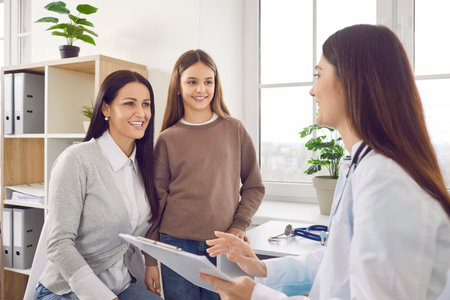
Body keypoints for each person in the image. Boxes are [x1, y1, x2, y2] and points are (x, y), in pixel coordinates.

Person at [200, 24, 450, 299]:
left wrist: (256, 296)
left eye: (318, 75)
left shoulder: (388, 181)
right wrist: (261, 268)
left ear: (352, 83)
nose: (312, 90)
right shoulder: (360, 167)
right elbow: (337, 262)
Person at [145, 49, 265, 300]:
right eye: (192, 82)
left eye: (208, 82)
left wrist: (238, 227)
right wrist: (150, 261)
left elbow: (254, 186)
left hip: (223, 246)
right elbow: (157, 202)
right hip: (175, 246)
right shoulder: (167, 139)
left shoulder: (234, 129)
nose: (201, 89)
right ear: (178, 86)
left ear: (215, 85)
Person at [34, 70, 163, 300]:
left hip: (120, 286)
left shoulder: (142, 166)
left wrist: (151, 263)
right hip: (68, 290)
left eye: (146, 104)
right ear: (106, 109)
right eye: (129, 103)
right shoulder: (76, 160)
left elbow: (146, 226)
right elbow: (58, 243)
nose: (141, 113)